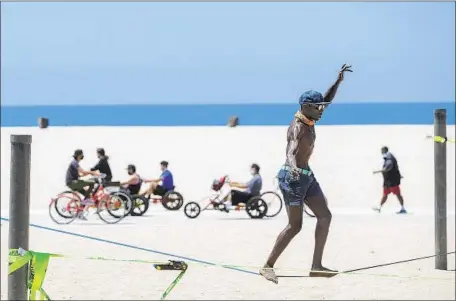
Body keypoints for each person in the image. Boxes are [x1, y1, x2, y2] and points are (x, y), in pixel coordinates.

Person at [259, 64, 352, 284]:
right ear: (305, 106)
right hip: (291, 178)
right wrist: (292, 166)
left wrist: (337, 81)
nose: (322, 110)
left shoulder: (310, 117)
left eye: (321, 107)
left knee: (325, 216)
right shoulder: (298, 127)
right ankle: (267, 266)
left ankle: (316, 266)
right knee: (295, 226)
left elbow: (326, 100)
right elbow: (291, 150)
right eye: (317, 107)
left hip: (307, 176)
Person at [65, 149, 99, 219]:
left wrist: (90, 174)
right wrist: (92, 172)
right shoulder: (74, 163)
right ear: (79, 156)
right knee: (91, 183)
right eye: (81, 155)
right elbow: (83, 172)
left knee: (88, 196)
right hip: (72, 182)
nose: (82, 156)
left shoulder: (75, 163)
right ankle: (82, 207)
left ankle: (80, 212)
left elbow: (80, 175)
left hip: (74, 182)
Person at [373, 146, 406, 214]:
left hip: (392, 181)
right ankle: (379, 208)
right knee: (385, 195)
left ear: (384, 151)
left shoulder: (389, 158)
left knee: (398, 194)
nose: (381, 153)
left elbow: (388, 168)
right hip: (387, 180)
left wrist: (377, 171)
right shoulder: (388, 157)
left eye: (382, 151)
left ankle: (403, 208)